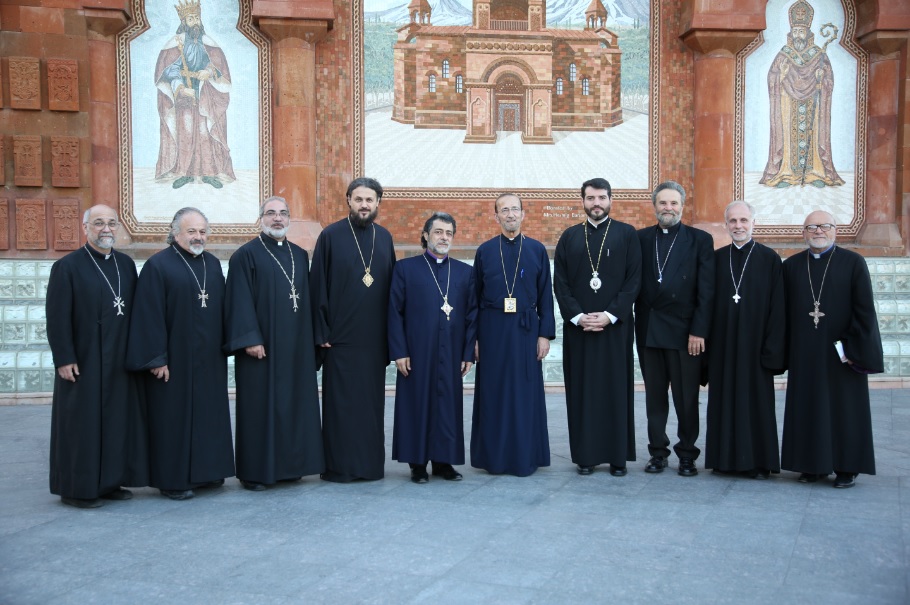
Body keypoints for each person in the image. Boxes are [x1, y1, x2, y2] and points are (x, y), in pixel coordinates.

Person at [126, 207, 234, 500]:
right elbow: (148, 314)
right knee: (173, 419)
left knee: (209, 415)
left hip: (209, 359)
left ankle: (209, 471)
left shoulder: (212, 264)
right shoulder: (158, 265)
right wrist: (156, 357)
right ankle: (173, 480)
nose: (198, 237)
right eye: (191, 232)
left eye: (202, 232)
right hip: (173, 361)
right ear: (175, 234)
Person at [46, 205, 148, 508]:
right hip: (84, 360)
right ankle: (78, 488)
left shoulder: (126, 265)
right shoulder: (68, 267)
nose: (106, 229)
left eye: (111, 223)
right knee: (82, 426)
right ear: (85, 227)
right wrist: (64, 357)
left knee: (117, 423)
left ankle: (110, 481)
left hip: (118, 360)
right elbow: (57, 317)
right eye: (99, 223)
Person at [224, 196, 324, 491]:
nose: (277, 218)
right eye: (271, 214)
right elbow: (238, 301)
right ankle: (256, 473)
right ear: (261, 219)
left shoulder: (298, 253)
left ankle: (292, 466)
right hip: (262, 349)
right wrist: (250, 339)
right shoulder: (245, 255)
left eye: (283, 213)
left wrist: (314, 341)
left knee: (294, 406)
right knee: (260, 409)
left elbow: (305, 298)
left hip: (295, 347)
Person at [781, 210, 882, 488]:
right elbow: (783, 313)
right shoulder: (791, 267)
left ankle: (847, 467)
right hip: (805, 352)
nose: (818, 231)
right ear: (803, 233)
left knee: (844, 409)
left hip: (842, 352)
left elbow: (865, 311)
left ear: (835, 230)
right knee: (808, 407)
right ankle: (811, 466)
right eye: (811, 227)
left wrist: (853, 346)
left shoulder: (853, 263)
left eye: (825, 226)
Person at [310, 177, 396, 482]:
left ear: (377, 204)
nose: (364, 205)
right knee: (341, 407)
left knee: (371, 408)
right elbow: (317, 285)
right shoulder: (331, 236)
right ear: (348, 200)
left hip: (373, 342)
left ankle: (369, 467)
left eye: (369, 200)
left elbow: (393, 292)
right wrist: (321, 334)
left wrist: (392, 339)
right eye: (358, 199)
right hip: (340, 341)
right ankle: (338, 468)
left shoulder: (384, 238)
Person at [554, 178, 641, 476]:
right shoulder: (569, 237)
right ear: (582, 201)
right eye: (590, 198)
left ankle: (618, 457)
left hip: (614, 329)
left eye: (602, 198)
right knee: (582, 392)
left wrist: (610, 315)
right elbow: (561, 284)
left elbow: (633, 282)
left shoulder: (627, 235)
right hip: (579, 331)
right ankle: (586, 457)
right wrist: (578, 317)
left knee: (616, 391)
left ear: (610, 199)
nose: (596, 203)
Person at [388, 212, 478, 484]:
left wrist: (467, 354)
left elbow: (472, 315)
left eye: (449, 233)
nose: (444, 237)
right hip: (417, 350)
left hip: (451, 351)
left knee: (448, 406)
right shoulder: (406, 269)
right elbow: (394, 312)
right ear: (426, 235)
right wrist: (399, 351)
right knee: (417, 404)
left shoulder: (465, 272)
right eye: (438, 232)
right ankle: (417, 463)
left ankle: (443, 462)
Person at [471, 193, 555, 476]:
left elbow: (546, 296)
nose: (510, 214)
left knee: (524, 394)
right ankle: (494, 458)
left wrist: (545, 335)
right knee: (494, 393)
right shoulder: (484, 251)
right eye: (504, 210)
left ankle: (524, 457)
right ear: (496, 216)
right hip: (492, 328)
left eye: (514, 209)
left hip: (526, 329)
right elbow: (475, 299)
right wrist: (475, 339)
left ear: (523, 214)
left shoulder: (536, 249)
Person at [636, 181, 714, 476]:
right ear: (654, 206)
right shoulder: (641, 239)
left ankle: (687, 454)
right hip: (649, 330)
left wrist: (699, 330)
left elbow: (706, 291)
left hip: (685, 334)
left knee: (686, 398)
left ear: (682, 205)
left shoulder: (699, 240)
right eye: (663, 203)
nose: (668, 208)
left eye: (673, 203)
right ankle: (657, 453)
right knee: (655, 397)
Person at [705, 201, 785, 479]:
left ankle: (759, 463)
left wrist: (772, 349)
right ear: (725, 224)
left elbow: (778, 309)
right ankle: (723, 460)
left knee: (756, 403)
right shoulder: (716, 258)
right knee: (723, 401)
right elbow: (706, 302)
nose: (738, 226)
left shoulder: (769, 258)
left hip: (755, 347)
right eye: (733, 221)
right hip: (723, 345)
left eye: (743, 220)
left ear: (754, 222)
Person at [760, 0, 843, 189]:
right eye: (795, 31)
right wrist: (780, 75)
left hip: (813, 102)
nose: (798, 35)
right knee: (789, 136)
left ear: (808, 33)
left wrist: (822, 79)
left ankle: (815, 173)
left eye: (801, 31)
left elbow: (829, 81)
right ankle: (786, 173)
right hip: (788, 103)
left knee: (813, 135)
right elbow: (772, 77)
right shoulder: (784, 54)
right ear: (791, 33)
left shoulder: (818, 55)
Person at [155, 0, 235, 189]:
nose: (195, 22)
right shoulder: (175, 45)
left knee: (205, 131)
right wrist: (181, 87)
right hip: (184, 93)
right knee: (186, 130)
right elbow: (168, 70)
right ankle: (185, 173)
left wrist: (209, 71)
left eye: (197, 18)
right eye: (191, 18)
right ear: (184, 22)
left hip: (206, 92)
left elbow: (217, 66)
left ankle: (208, 172)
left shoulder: (208, 44)